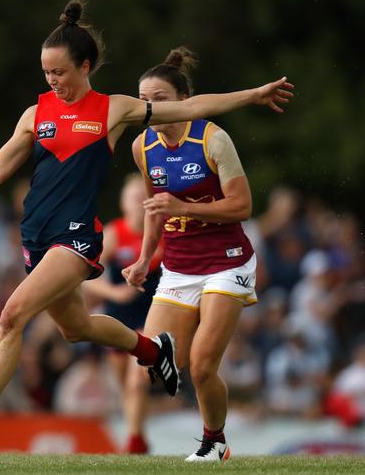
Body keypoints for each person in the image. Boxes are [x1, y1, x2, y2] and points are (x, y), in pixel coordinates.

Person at [0, 0, 293, 452]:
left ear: (85, 66)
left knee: (11, 316)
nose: (52, 82)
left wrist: (252, 94)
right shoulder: (35, 113)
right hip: (36, 239)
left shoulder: (114, 110)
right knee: (76, 328)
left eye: (60, 72)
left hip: (75, 238)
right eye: (46, 73)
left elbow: (191, 107)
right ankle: (153, 351)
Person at [122, 46, 275, 462]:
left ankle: (215, 442)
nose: (150, 108)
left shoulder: (212, 138)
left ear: (184, 100)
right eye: (144, 100)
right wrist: (142, 259)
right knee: (149, 362)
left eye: (160, 99)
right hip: (177, 267)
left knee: (202, 365)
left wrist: (184, 208)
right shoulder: (143, 146)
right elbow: (155, 210)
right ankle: (170, 355)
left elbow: (242, 206)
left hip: (227, 261)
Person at [82, 173, 162, 454]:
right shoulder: (115, 234)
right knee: (124, 384)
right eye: (133, 197)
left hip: (149, 314)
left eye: (143, 197)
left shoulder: (160, 235)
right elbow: (89, 276)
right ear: (123, 202)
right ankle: (135, 433)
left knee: (136, 380)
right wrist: (115, 293)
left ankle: (135, 441)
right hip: (117, 316)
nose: (138, 202)